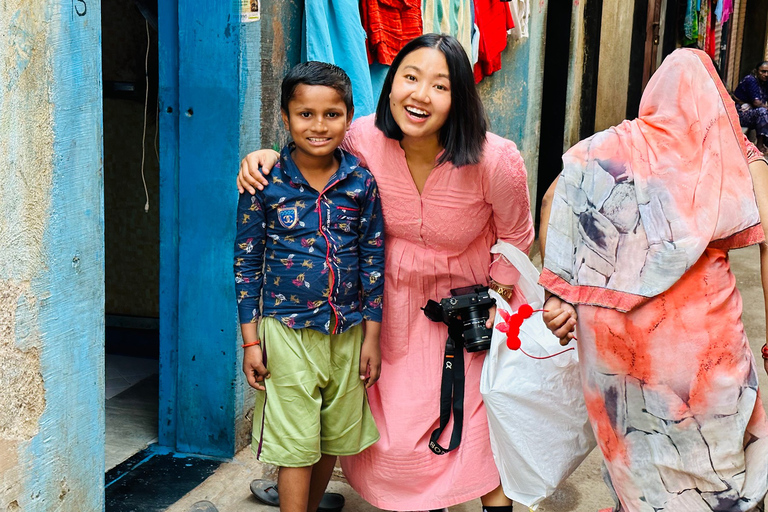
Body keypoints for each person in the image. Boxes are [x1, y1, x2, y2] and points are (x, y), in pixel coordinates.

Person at [238, 34, 534, 512]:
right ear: (391, 83)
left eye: (439, 85)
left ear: (459, 96)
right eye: (410, 78)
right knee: (396, 438)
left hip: (469, 306)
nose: (420, 94)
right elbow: (311, 152)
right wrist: (266, 157)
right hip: (388, 303)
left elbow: (517, 235)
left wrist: (493, 305)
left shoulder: (496, 159)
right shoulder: (361, 139)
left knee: (477, 422)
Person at [539, 48, 768, 511]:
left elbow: (552, 197)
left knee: (636, 454)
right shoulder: (737, 156)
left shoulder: (609, 149)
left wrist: (559, 288)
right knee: (717, 458)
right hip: (701, 348)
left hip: (615, 348)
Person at [234, 61, 385, 512]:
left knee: (331, 435)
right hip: (286, 331)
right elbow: (246, 264)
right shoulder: (264, 182)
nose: (318, 126)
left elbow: (374, 260)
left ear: (349, 116)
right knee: (296, 442)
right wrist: (251, 342)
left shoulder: (360, 182)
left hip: (348, 330)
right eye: (305, 114)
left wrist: (372, 337)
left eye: (332, 115)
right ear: (285, 117)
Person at [733, 61, 768, 153]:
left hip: (752, 113)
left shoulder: (764, 83)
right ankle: (759, 145)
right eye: (763, 72)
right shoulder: (750, 80)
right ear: (756, 71)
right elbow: (756, 103)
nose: (766, 74)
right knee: (762, 112)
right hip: (739, 115)